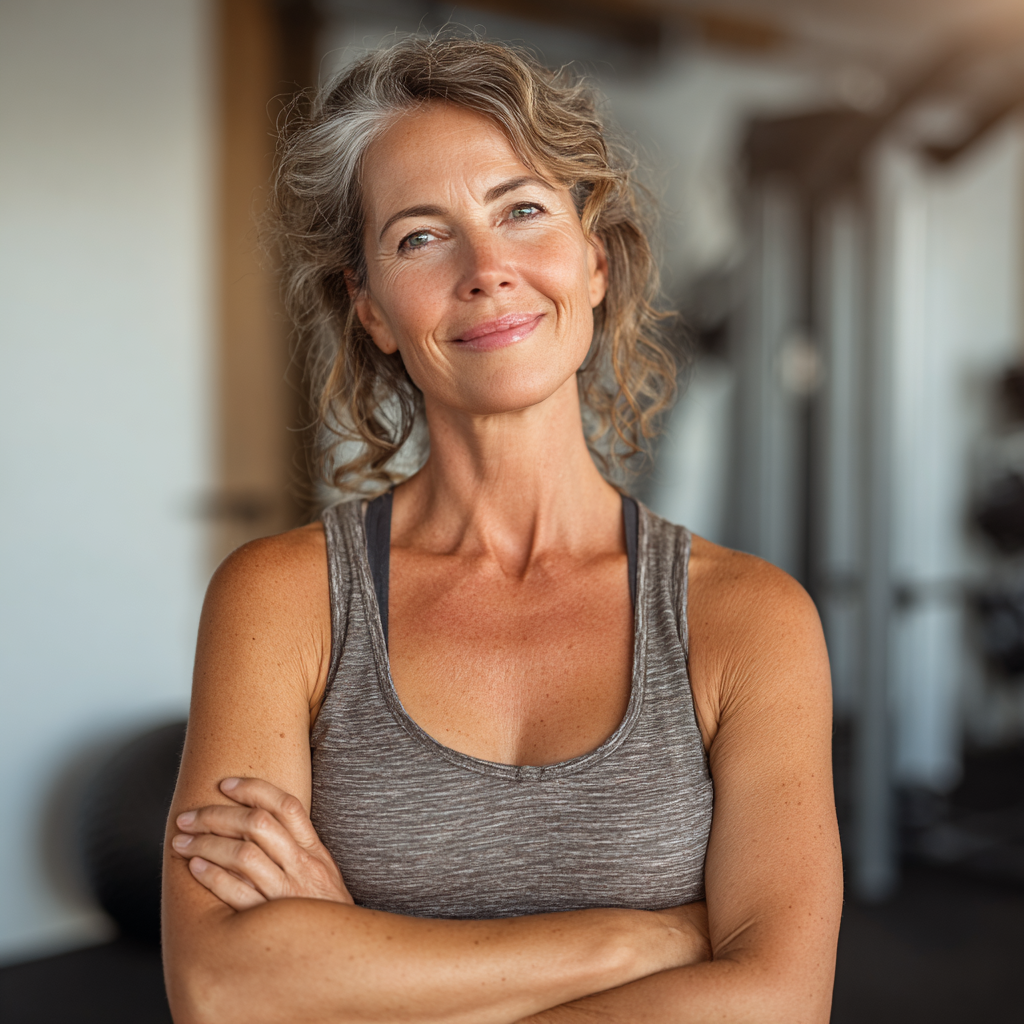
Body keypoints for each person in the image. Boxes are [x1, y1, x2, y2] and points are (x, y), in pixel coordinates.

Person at [162, 35, 842, 1024]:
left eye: (521, 210)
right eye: (419, 237)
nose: (486, 268)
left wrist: (352, 970)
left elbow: (777, 1003)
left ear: (593, 260)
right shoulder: (283, 597)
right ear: (373, 310)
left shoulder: (748, 618)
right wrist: (647, 937)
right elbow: (224, 988)